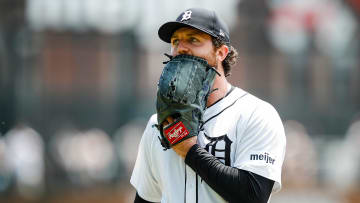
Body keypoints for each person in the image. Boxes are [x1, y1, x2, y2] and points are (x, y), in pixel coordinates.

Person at [130, 8, 286, 203]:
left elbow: (254, 195)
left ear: (221, 52)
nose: (181, 48)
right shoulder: (157, 125)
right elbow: (146, 199)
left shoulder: (256, 114)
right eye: (175, 41)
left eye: (193, 40)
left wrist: (189, 150)